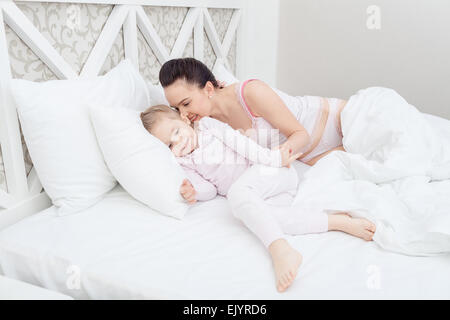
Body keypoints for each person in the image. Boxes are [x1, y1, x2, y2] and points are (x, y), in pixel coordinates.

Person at [140, 105, 377, 292]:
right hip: (260, 196)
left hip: (272, 171)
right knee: (269, 218)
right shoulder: (183, 162)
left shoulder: (208, 128)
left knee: (237, 195)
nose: (179, 143)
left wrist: (275, 159)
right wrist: (192, 192)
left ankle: (280, 250)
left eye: (177, 133)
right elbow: (209, 190)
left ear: (184, 120)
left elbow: (244, 145)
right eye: (170, 145)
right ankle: (338, 221)